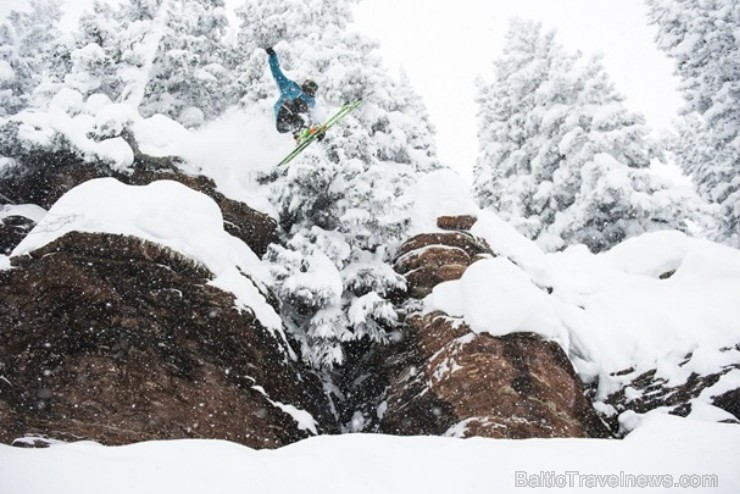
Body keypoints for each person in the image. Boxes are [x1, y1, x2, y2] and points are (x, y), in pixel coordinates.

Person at [265, 47, 324, 141]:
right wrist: (273, 56)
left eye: (313, 89)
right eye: (310, 85)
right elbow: (276, 72)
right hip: (282, 115)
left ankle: (299, 133)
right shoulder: (289, 86)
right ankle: (299, 130)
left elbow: (315, 115)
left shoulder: (310, 101)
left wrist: (319, 130)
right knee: (296, 103)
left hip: (288, 124)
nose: (311, 89)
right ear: (305, 84)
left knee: (301, 119)